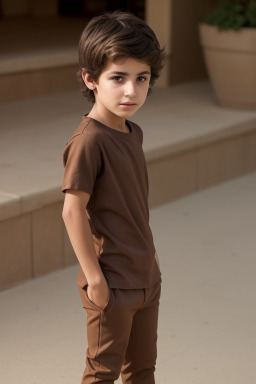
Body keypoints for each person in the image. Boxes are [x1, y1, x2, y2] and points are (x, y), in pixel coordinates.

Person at [61, 10, 165, 384]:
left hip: (145, 275)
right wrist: (95, 280)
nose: (131, 91)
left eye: (142, 78)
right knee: (102, 374)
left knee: (142, 370)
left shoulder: (131, 132)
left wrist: (150, 262)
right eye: (118, 78)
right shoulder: (88, 141)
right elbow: (72, 211)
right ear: (90, 78)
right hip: (112, 281)